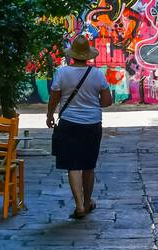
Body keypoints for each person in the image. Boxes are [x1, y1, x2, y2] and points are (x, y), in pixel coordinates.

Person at [47, 36, 114, 219]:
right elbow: (107, 101)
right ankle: (87, 201)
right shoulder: (98, 74)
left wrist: (49, 115)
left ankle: (79, 206)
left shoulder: (61, 73)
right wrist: (91, 103)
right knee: (89, 165)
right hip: (92, 124)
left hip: (68, 123)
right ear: (88, 56)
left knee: (73, 165)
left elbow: (54, 98)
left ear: (72, 56)